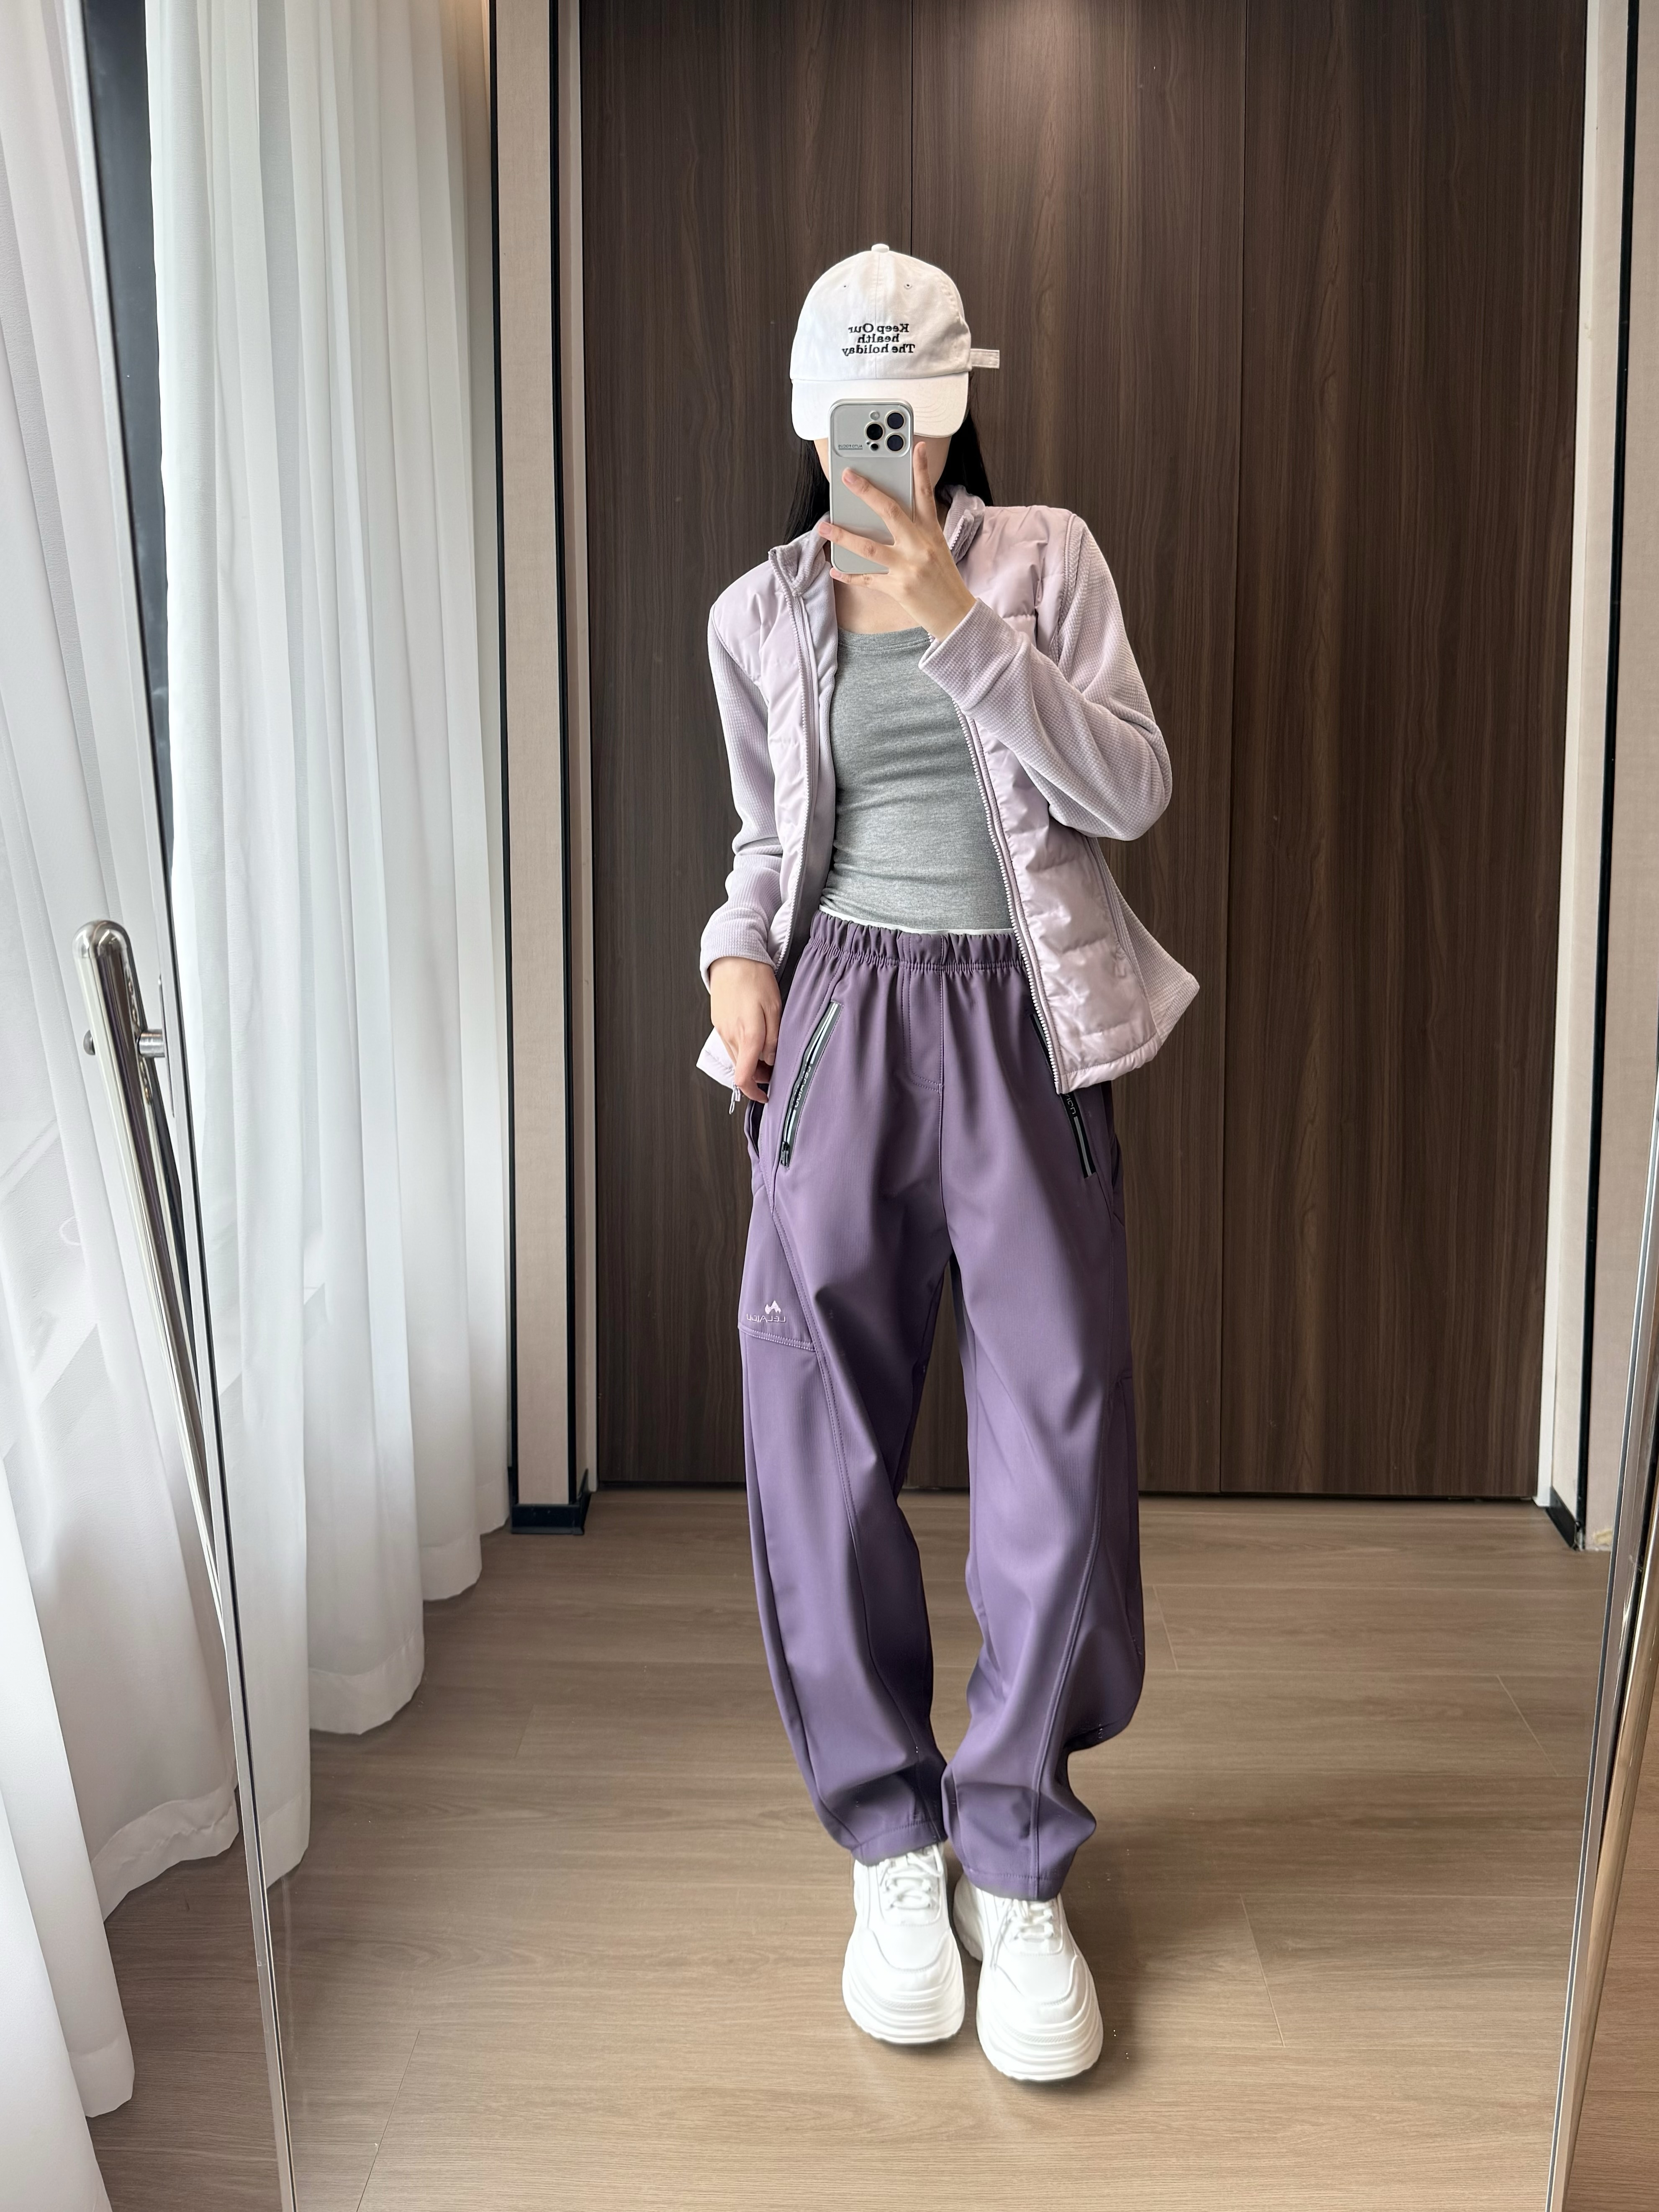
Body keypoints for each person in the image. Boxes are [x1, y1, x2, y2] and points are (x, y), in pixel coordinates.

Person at [695, 244, 1196, 2082]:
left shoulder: (1044, 562)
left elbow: (1128, 788)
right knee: (815, 1435)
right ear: (810, 417)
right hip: (840, 1021)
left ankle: (1015, 1848)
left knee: (1055, 1435)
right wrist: (733, 957)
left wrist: (959, 621)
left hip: (1023, 1031)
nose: (880, 445)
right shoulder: (760, 614)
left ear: (954, 407)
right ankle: (892, 1844)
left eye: (905, 412)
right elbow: (766, 850)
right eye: (854, 415)